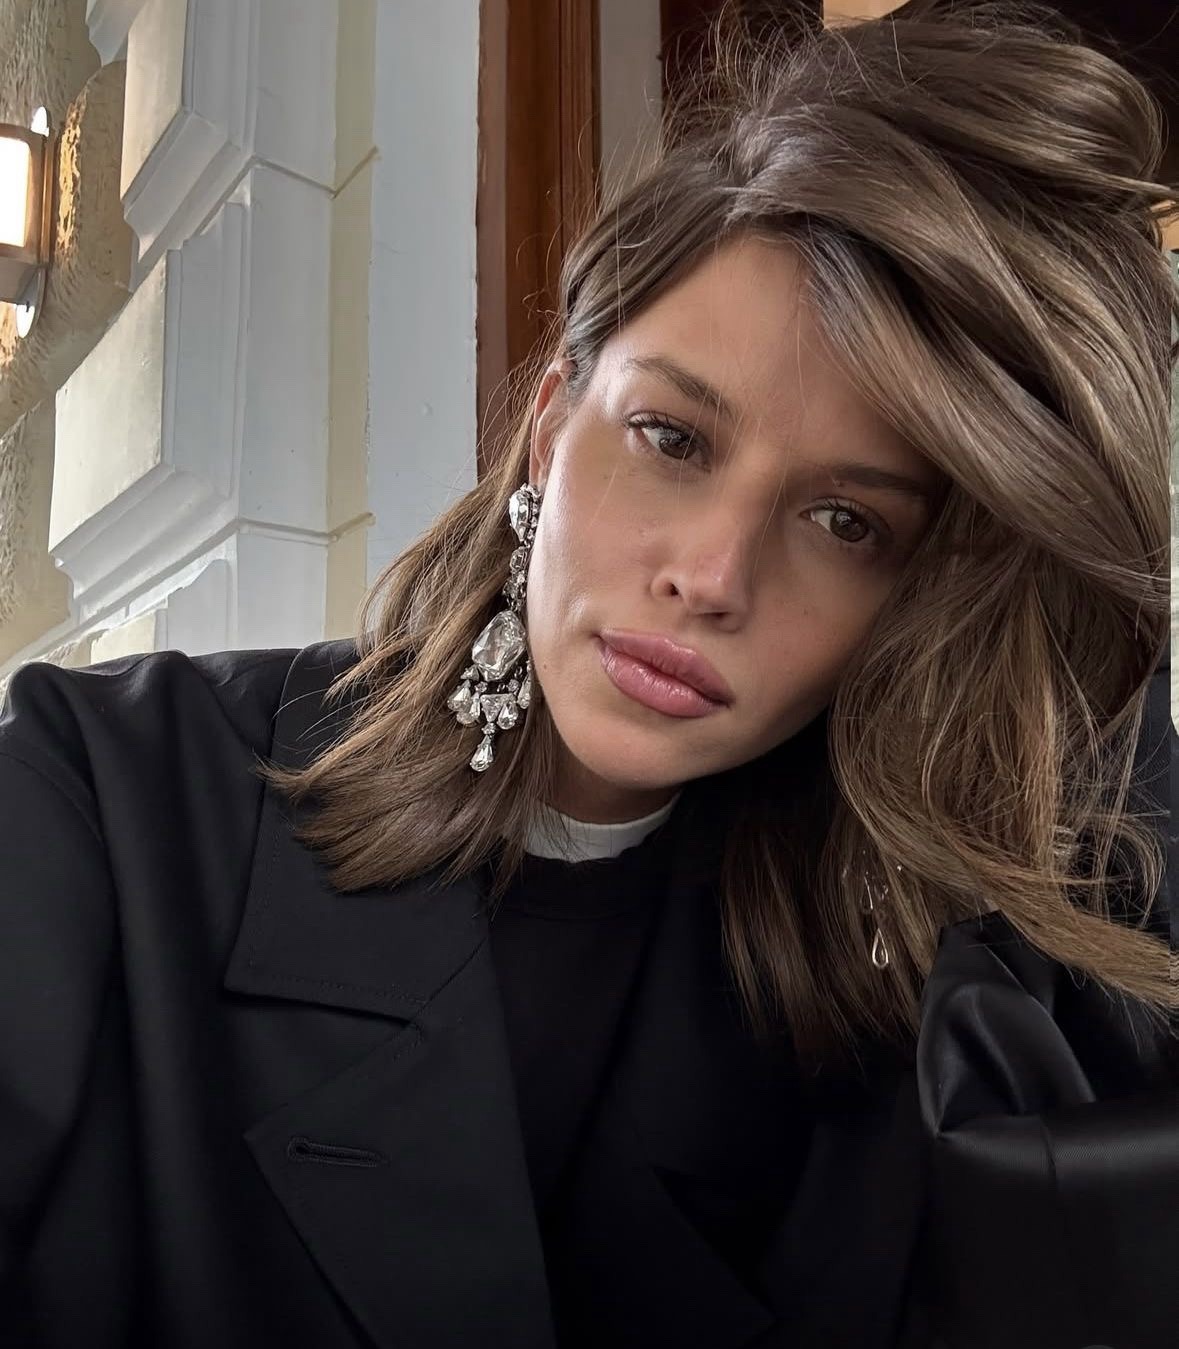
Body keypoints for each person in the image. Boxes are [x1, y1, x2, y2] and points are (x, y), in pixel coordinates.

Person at [1, 2, 1176, 1346]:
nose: (714, 574)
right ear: (554, 426)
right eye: (672, 438)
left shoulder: (901, 975)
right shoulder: (105, 799)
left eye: (846, 521)